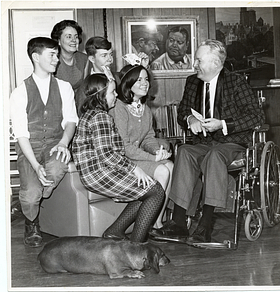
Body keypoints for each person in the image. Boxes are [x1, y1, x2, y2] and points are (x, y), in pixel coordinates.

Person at [150, 39, 265, 243]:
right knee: (184, 151)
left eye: (198, 60)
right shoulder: (192, 82)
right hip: (203, 143)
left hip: (231, 143)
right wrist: (190, 119)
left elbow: (255, 116)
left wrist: (222, 123)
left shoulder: (235, 82)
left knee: (215, 155)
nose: (194, 65)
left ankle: (207, 222)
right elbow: (182, 112)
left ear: (215, 63)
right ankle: (178, 222)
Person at [72, 73, 165, 243]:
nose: (116, 95)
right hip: (99, 173)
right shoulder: (100, 117)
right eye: (112, 92)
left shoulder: (91, 114)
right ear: (100, 96)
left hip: (97, 172)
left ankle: (114, 232)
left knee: (144, 192)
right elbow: (107, 155)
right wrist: (134, 169)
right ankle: (137, 246)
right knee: (156, 191)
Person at [10, 37, 78, 247]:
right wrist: (36, 165)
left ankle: (34, 198)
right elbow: (21, 135)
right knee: (31, 195)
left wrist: (64, 143)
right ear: (36, 57)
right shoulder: (19, 92)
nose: (57, 59)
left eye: (57, 54)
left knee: (56, 169)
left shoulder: (64, 87)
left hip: (55, 145)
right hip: (29, 148)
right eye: (52, 54)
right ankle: (31, 221)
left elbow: (71, 120)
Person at [109, 62, 173, 229]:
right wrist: (153, 158)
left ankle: (157, 220)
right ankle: (154, 225)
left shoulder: (144, 108)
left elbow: (148, 138)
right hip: (121, 161)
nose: (145, 83)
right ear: (128, 84)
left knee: (170, 166)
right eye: (139, 80)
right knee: (162, 170)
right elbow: (124, 146)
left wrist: (158, 150)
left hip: (137, 157)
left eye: (146, 79)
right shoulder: (119, 108)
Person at [75, 36, 117, 116]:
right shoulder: (85, 87)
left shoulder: (118, 79)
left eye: (111, 54)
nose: (110, 59)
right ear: (92, 59)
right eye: (104, 55)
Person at [51, 19, 89, 91]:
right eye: (69, 37)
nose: (74, 40)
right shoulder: (52, 60)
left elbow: (84, 89)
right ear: (58, 41)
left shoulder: (84, 59)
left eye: (76, 37)